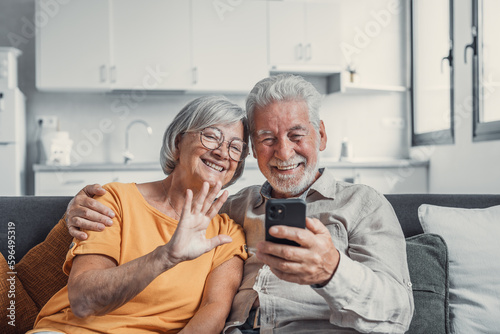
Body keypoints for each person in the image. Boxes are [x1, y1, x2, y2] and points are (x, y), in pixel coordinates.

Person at [65, 74, 414, 333]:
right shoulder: (231, 209)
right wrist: (76, 206)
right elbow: (167, 207)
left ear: (320, 135)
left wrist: (332, 270)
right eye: (267, 138)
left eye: (296, 135)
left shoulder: (363, 204)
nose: (283, 152)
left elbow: (398, 312)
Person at [29, 96, 250, 334]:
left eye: (235, 147)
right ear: (178, 143)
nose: (222, 153)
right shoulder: (116, 199)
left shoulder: (227, 234)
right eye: (211, 136)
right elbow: (83, 301)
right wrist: (165, 257)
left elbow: (213, 312)